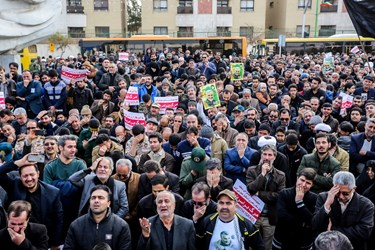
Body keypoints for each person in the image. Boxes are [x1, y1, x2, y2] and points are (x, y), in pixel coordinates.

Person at [0, 154, 64, 249]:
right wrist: (19, 162)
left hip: (41, 238)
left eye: (32, 175)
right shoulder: (14, 186)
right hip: (14, 235)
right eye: (25, 176)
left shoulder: (53, 192)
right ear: (20, 177)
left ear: (38, 174)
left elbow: (58, 219)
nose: (29, 179)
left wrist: (55, 243)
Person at [312, 171, 374, 250]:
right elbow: (315, 224)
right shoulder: (323, 198)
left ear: (354, 189)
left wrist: (332, 231)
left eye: (345, 193)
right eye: (338, 193)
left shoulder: (366, 205)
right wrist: (327, 205)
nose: (341, 197)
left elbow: (364, 232)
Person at [64, 185, 131, 250]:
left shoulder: (121, 226)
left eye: (100, 198)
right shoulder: (76, 225)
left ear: (108, 203)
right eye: (93, 198)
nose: (96, 201)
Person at [246, 144, 286, 250]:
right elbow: (250, 189)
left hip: (270, 216)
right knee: (251, 244)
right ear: (261, 155)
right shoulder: (251, 170)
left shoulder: (280, 175)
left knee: (268, 246)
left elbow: (279, 196)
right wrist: (262, 175)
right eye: (264, 154)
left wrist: (259, 194)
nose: (267, 158)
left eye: (270, 155)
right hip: (253, 215)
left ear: (274, 157)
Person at [196, 189, 265, 250]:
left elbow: (259, 246)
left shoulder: (246, 225)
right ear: (217, 205)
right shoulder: (207, 222)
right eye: (221, 203)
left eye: (228, 203)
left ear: (235, 206)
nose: (224, 207)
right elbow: (197, 244)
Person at [272, 168, 318, 250]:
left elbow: (313, 222)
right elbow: (281, 217)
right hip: (282, 240)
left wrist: (299, 202)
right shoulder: (284, 193)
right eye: (302, 180)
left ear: (312, 185)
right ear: (297, 178)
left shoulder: (315, 198)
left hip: (303, 243)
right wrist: (302, 223)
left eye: (308, 183)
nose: (303, 185)